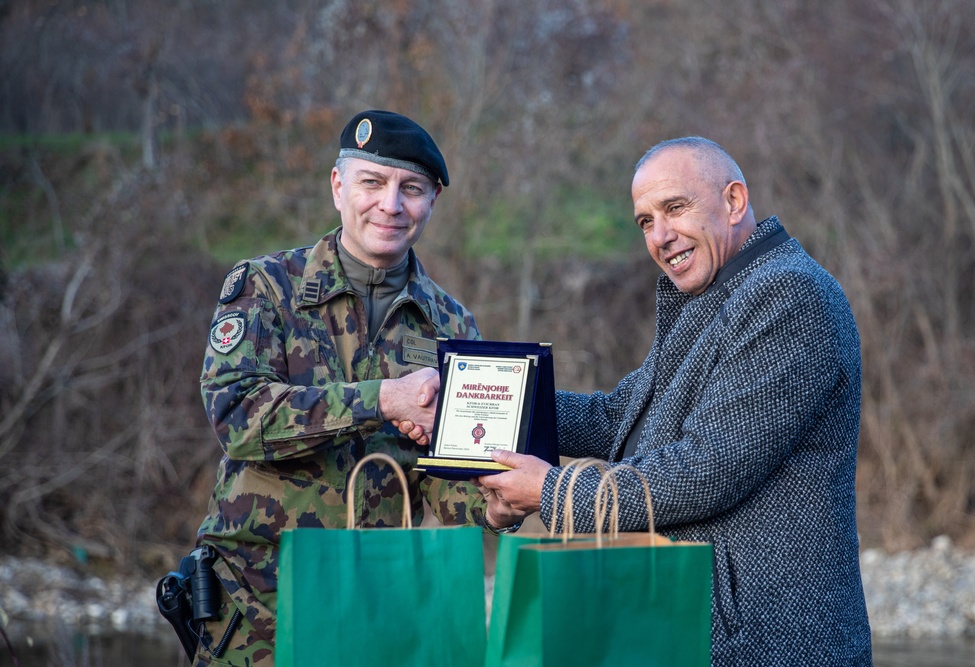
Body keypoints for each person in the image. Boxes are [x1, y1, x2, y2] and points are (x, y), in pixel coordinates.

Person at [409, 136, 873, 664]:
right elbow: (616, 419)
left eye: (675, 208)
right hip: (696, 624)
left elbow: (708, 468)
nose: (661, 235)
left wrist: (553, 491)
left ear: (734, 201)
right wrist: (472, 398)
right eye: (645, 221)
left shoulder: (789, 294)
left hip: (769, 643)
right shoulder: (717, 296)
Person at [189, 110, 489, 666]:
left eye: (412, 189)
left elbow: (446, 485)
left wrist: (494, 501)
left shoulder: (452, 326)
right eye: (372, 182)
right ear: (337, 186)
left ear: (433, 201)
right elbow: (238, 417)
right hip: (259, 607)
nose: (391, 205)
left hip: (380, 604)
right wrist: (383, 399)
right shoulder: (267, 287)